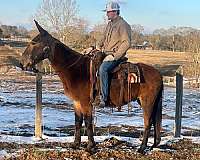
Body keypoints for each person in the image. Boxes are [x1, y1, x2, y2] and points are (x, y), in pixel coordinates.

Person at [98, 1, 132, 107]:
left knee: (103, 69)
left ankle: (104, 98)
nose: (106, 14)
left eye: (108, 12)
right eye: (107, 12)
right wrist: (96, 47)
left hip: (116, 56)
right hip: (106, 54)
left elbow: (126, 43)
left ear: (115, 12)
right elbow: (103, 38)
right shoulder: (110, 24)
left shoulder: (123, 25)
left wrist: (114, 56)